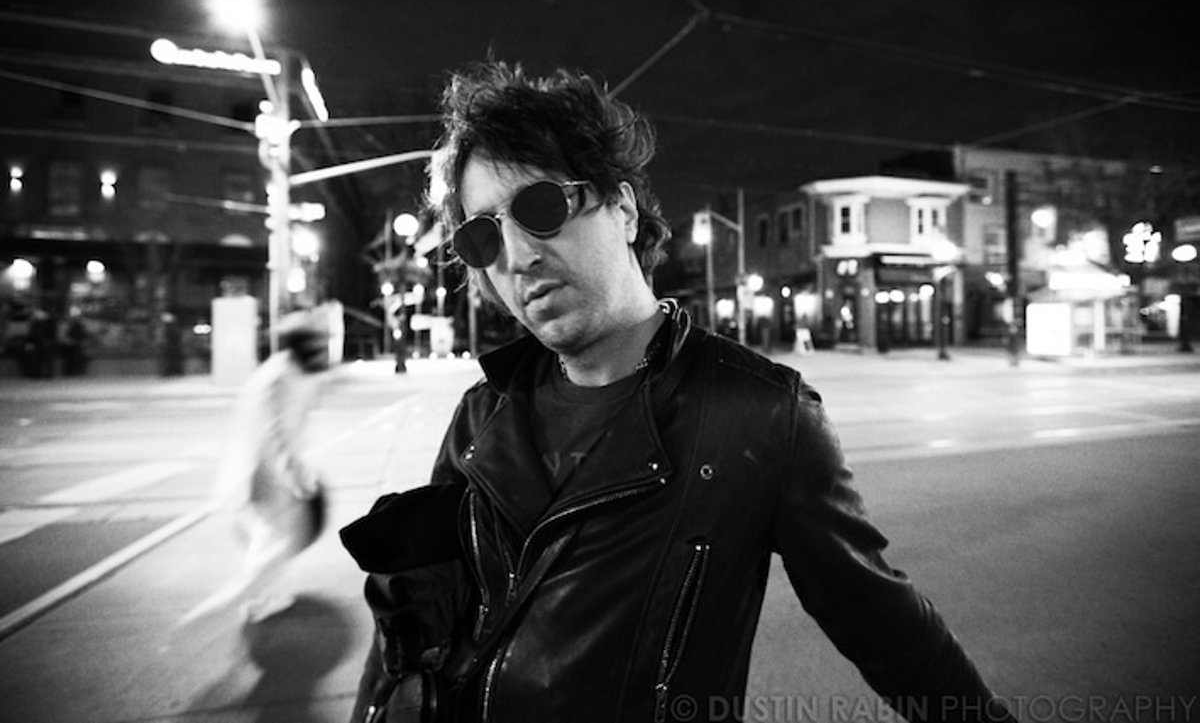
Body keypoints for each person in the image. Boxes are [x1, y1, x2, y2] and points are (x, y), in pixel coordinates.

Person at [341, 61, 1017, 723]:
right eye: (482, 235)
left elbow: (890, 632)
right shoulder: (482, 415)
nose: (517, 257)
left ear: (623, 208)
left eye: (540, 207)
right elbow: (415, 633)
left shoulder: (757, 414)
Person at [179, 310, 330, 627]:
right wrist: (295, 474)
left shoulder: (291, 373)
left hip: (270, 477)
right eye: (315, 344)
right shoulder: (277, 378)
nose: (320, 351)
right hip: (261, 477)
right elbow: (273, 435)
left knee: (275, 540)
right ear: (300, 345)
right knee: (274, 543)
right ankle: (231, 604)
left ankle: (262, 596)